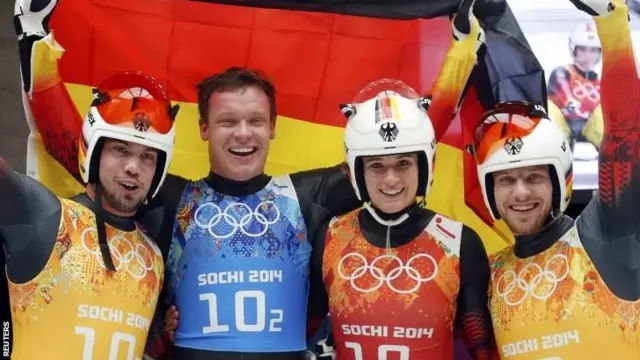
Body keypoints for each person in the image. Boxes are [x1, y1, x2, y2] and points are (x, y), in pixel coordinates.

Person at [151, 1, 486, 358]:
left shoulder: (301, 197)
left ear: (273, 127)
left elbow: (399, 141)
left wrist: (462, 55)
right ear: (203, 128)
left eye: (255, 121)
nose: (243, 134)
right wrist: (160, 326)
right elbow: (105, 164)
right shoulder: (171, 198)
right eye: (227, 122)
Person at [471, 0, 640, 358]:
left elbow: (625, 137)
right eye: (506, 180)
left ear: (558, 181)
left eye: (534, 177)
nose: (520, 192)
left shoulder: (602, 237)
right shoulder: (491, 274)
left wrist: (611, 24)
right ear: (489, 189)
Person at [304, 78, 498, 360]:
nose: (391, 179)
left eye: (404, 163)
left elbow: (483, 351)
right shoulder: (331, 237)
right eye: (377, 166)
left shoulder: (459, 243)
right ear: (356, 172)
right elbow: (300, 336)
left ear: (425, 165)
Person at [0, 70, 179, 359]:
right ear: (93, 153)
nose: (134, 166)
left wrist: (166, 338)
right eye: (121, 149)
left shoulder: (154, 257)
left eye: (148, 156)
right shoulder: (43, 215)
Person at [547, 20, 603, 149]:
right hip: (564, 127)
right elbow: (563, 92)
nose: (588, 55)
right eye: (583, 49)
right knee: (548, 107)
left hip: (591, 130)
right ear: (574, 50)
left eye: (593, 50)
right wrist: (570, 103)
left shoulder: (602, 83)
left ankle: (617, 157)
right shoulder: (562, 72)